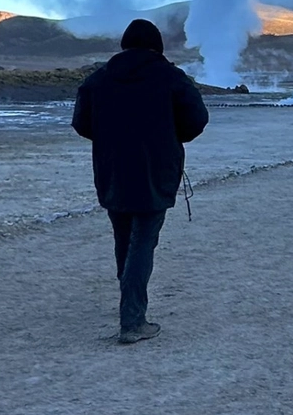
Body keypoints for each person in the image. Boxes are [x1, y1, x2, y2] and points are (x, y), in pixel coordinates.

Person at [71, 19, 209, 345]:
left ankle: (128, 303)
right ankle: (132, 320)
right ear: (156, 46)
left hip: (112, 170)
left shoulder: (99, 78)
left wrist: (109, 138)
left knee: (124, 238)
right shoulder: (170, 77)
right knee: (143, 241)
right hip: (155, 169)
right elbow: (197, 119)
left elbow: (81, 122)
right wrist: (171, 135)